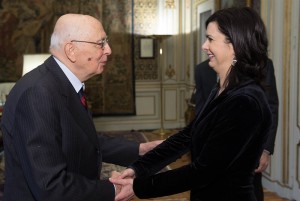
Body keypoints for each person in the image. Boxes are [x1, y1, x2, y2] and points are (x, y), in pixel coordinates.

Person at [110, 7, 273, 201]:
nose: (204, 46)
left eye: (210, 39)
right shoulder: (222, 89)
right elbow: (187, 136)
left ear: (235, 45)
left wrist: (139, 187)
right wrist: (139, 168)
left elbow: (204, 171)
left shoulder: (245, 102)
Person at [0, 14, 162, 201]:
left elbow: (82, 140)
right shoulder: (38, 94)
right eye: (100, 43)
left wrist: (141, 149)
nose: (108, 50)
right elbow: (50, 187)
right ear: (71, 50)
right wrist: (114, 190)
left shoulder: (63, 83)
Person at [194, 58, 279, 201]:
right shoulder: (202, 69)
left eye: (211, 39)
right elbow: (200, 113)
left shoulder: (261, 65)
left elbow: (271, 108)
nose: (205, 46)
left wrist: (265, 149)